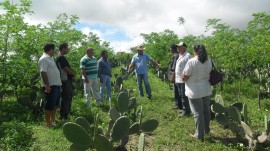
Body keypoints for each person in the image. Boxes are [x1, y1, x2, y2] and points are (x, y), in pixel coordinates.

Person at [182, 44, 212, 141]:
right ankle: (206, 130)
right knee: (206, 111)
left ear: (195, 51)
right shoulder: (209, 60)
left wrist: (183, 78)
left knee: (198, 114)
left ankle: (199, 135)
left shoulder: (192, 61)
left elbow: (185, 76)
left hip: (194, 91)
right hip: (206, 90)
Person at [38, 43, 61, 128]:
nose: (55, 51)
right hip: (50, 85)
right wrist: (47, 85)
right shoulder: (44, 59)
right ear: (50, 49)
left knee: (54, 104)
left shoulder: (51, 58)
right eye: (54, 49)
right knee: (49, 105)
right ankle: (48, 123)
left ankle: (53, 120)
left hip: (57, 84)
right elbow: (43, 72)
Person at [55, 43, 75, 120]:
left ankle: (67, 112)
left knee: (68, 97)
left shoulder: (60, 57)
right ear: (63, 48)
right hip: (65, 80)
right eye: (67, 48)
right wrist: (73, 74)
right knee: (66, 97)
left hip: (65, 80)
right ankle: (64, 115)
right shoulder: (61, 57)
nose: (68, 49)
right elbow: (65, 69)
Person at [175, 42, 192, 117]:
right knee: (181, 95)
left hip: (183, 79)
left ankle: (186, 111)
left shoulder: (188, 56)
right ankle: (184, 109)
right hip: (178, 79)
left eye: (180, 47)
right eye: (178, 47)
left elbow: (190, 68)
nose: (178, 48)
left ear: (184, 47)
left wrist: (185, 77)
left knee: (184, 96)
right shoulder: (180, 55)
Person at [168, 44, 182, 110]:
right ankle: (178, 104)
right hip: (177, 75)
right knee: (177, 90)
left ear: (172, 49)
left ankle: (178, 105)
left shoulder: (175, 56)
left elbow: (174, 68)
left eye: (170, 48)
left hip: (175, 76)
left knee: (176, 90)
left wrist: (172, 77)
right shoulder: (177, 55)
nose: (170, 50)